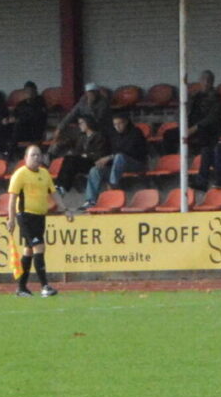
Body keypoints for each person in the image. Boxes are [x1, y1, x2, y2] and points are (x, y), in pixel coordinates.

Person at [8, 144, 75, 298]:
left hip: (40, 216)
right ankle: (45, 286)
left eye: (39, 154)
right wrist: (11, 219)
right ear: (25, 158)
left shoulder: (45, 174)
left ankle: (21, 287)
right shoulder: (20, 174)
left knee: (29, 251)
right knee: (39, 247)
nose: (37, 157)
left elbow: (54, 193)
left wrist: (65, 209)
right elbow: (12, 199)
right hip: (25, 216)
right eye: (33, 155)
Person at [85, 113, 148, 204]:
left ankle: (113, 185)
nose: (117, 127)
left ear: (126, 122)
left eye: (120, 123)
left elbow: (129, 151)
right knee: (95, 170)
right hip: (116, 167)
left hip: (136, 164)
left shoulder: (136, 132)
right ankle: (90, 201)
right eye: (115, 124)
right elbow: (108, 151)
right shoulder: (113, 134)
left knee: (119, 157)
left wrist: (110, 157)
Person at [184, 70, 221, 186]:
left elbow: (213, 117)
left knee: (206, 149)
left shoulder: (216, 97)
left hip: (207, 129)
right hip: (190, 127)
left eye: (209, 80)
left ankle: (201, 181)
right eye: (203, 79)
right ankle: (170, 159)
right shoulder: (194, 96)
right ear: (199, 81)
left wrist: (195, 128)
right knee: (168, 134)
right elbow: (182, 111)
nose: (206, 82)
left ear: (213, 82)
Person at [57, 115, 106, 193]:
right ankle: (60, 185)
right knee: (68, 158)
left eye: (81, 123)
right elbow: (77, 151)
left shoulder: (98, 136)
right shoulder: (82, 137)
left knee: (71, 160)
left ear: (88, 123)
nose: (79, 125)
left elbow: (100, 154)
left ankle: (63, 186)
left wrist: (86, 155)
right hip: (82, 161)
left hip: (93, 162)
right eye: (79, 123)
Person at [7, 81, 49, 154]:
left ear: (35, 91)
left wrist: (20, 119)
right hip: (21, 131)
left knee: (18, 125)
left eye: (31, 91)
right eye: (27, 91)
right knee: (4, 124)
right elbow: (14, 114)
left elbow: (37, 118)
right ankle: (3, 149)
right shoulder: (21, 104)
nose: (29, 93)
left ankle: (11, 151)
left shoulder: (40, 102)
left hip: (33, 131)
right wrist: (10, 119)